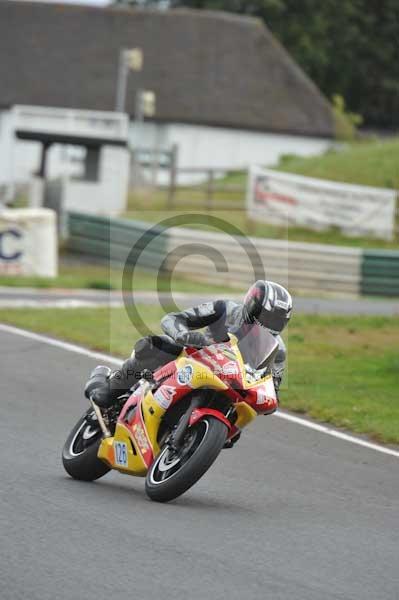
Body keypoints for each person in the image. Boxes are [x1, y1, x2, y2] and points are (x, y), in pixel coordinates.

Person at [85, 280, 292, 408]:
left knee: (242, 417)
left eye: (275, 321)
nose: (268, 325)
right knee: (152, 346)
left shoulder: (278, 350)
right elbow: (173, 319)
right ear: (251, 305)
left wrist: (270, 399)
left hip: (231, 383)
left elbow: (273, 386)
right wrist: (184, 335)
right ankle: (111, 388)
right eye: (265, 317)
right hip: (194, 360)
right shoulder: (224, 309)